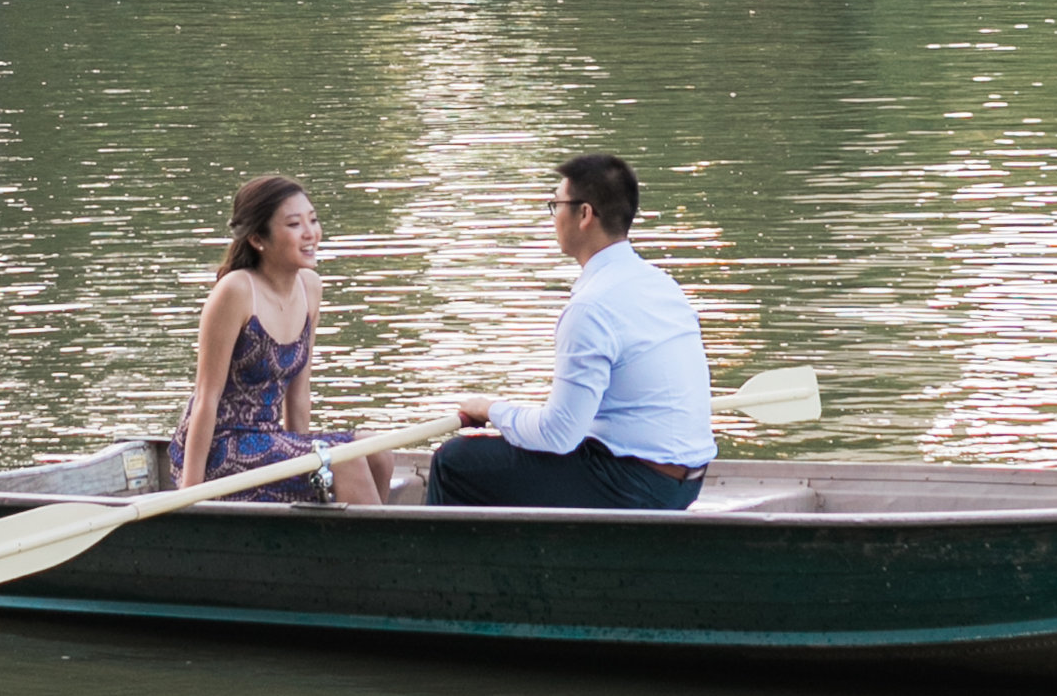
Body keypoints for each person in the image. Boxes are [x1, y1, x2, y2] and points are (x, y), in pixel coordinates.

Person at [426, 154, 713, 510]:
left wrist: (492, 409)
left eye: (557, 205)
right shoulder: (661, 285)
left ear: (585, 215)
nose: (554, 217)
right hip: (687, 482)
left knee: (456, 461)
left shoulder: (591, 307)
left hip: (638, 484)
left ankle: (435, 563)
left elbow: (558, 434)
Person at [173, 175, 390, 507]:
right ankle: (384, 557)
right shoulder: (236, 291)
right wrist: (190, 494)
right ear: (259, 239)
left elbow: (299, 394)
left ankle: (348, 547)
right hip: (221, 447)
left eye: (313, 220)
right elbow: (206, 397)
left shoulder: (310, 287)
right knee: (345, 461)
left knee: (376, 451)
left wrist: (303, 463)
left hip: (271, 439)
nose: (310, 233)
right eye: (293, 224)